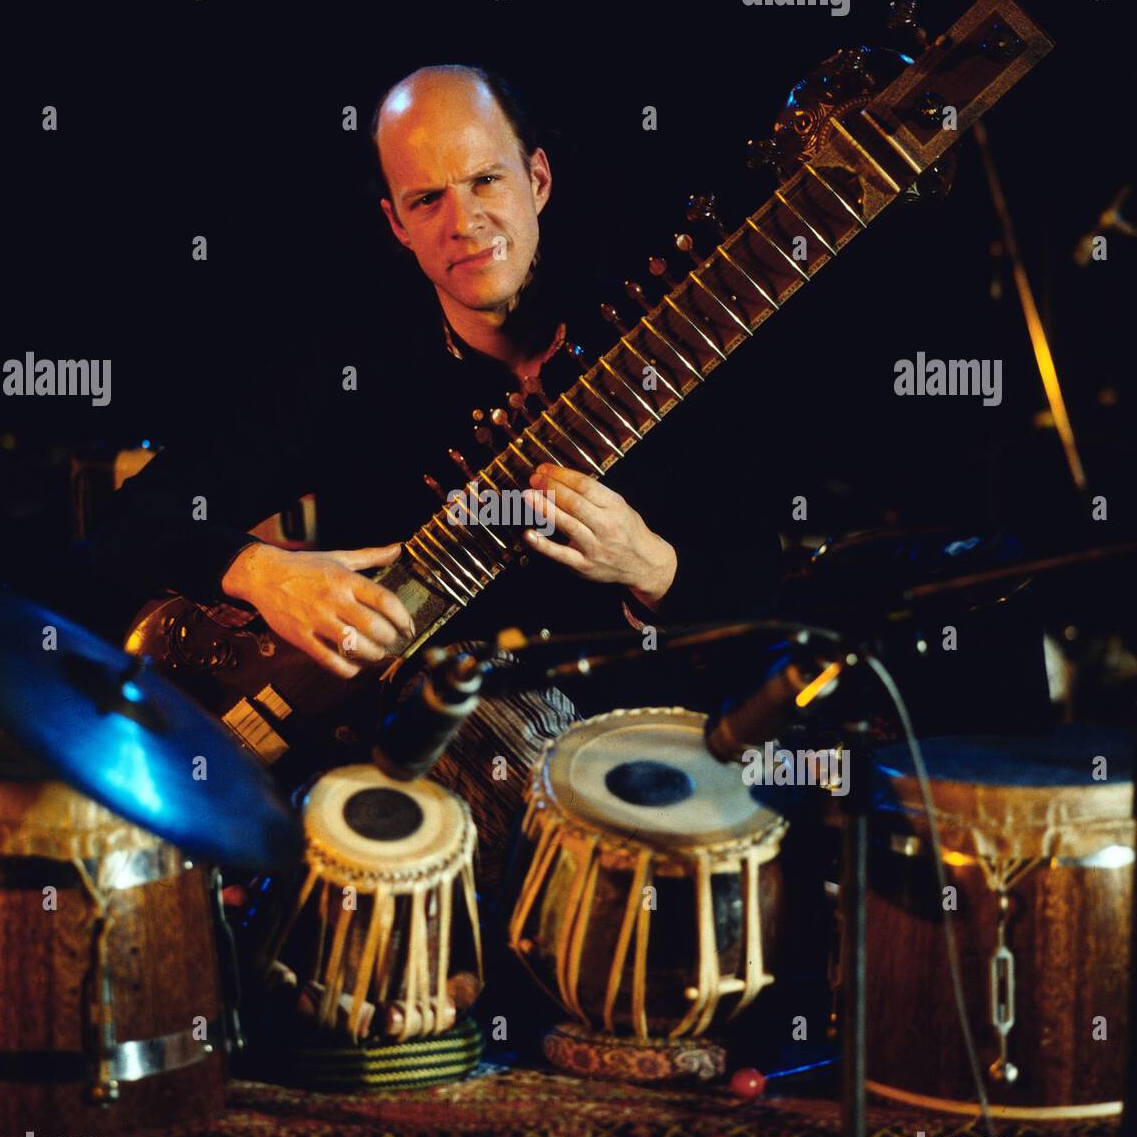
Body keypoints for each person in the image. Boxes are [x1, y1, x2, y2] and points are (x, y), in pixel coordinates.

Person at [91, 63, 783, 881]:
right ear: (397, 224)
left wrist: (651, 567)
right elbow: (133, 523)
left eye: (487, 179)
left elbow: (775, 606)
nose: (465, 221)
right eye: (427, 200)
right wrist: (263, 573)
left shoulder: (669, 352)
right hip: (375, 776)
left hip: (622, 773)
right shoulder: (346, 370)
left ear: (538, 178)